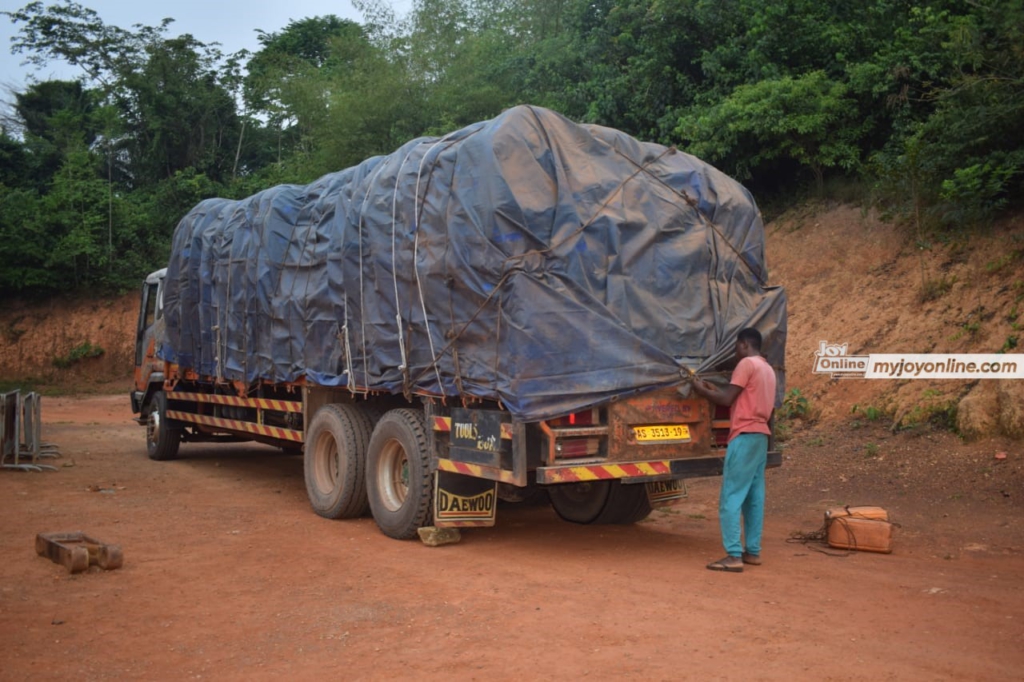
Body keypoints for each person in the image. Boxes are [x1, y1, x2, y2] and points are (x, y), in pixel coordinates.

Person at [691, 327, 777, 573]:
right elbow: (739, 397)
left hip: (744, 435)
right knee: (754, 497)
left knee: (731, 496)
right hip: (760, 436)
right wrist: (711, 389)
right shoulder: (767, 369)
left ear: (743, 345)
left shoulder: (746, 365)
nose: (735, 353)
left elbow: (727, 399)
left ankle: (733, 555)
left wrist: (700, 390)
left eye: (736, 347)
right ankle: (753, 551)